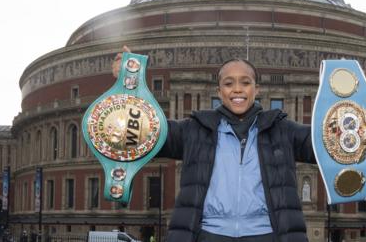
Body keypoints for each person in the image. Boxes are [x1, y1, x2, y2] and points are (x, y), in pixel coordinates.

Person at [112, 46, 316, 242]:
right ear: (219, 92)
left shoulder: (283, 130)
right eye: (229, 84)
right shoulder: (194, 130)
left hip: (266, 234)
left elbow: (327, 145)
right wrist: (128, 81)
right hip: (209, 234)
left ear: (257, 89)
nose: (237, 89)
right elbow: (139, 132)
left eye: (245, 83)